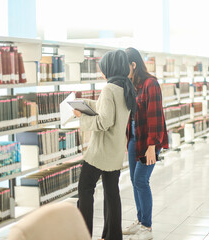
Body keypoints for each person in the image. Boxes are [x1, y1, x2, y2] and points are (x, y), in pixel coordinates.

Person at [73, 50, 136, 240]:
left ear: (109, 68)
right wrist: (85, 103)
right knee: (111, 193)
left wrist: (81, 116)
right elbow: (108, 108)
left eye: (102, 68)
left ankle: (84, 235)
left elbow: (104, 121)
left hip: (101, 152)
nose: (101, 72)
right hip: (116, 151)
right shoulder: (125, 86)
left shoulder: (109, 88)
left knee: (85, 189)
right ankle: (112, 236)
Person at [123, 47, 169, 240]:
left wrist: (152, 146)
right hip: (134, 138)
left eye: (125, 67)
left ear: (133, 65)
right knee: (134, 181)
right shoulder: (132, 85)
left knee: (142, 180)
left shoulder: (151, 84)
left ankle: (147, 227)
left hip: (148, 141)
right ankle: (140, 220)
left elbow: (155, 117)